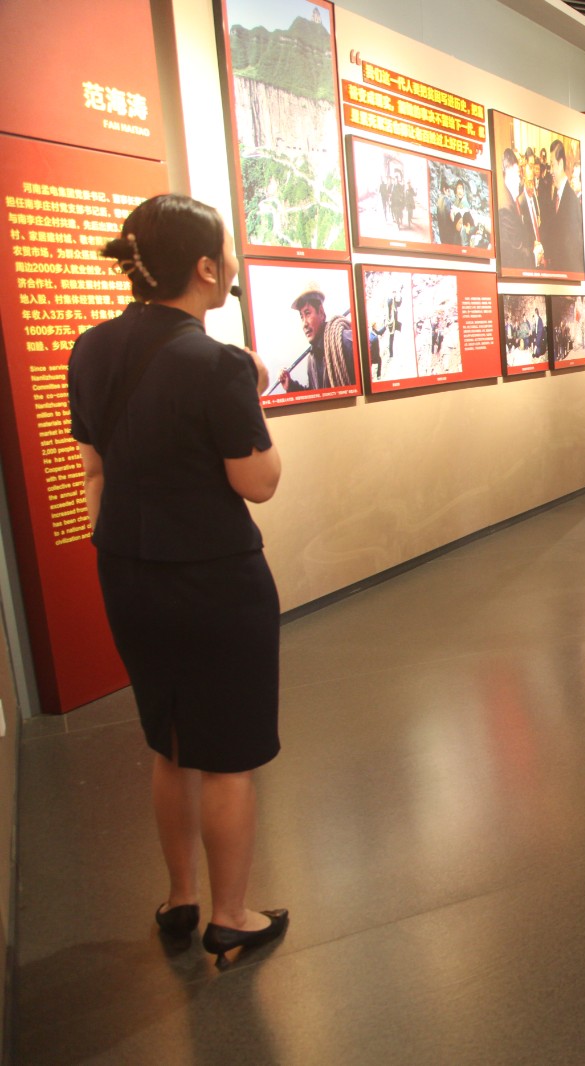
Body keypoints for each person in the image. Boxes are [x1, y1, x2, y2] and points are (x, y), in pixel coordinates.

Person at [65, 194, 288, 963]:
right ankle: (231, 916)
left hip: (126, 574)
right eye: (227, 251)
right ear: (204, 267)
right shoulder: (217, 363)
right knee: (226, 754)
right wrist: (250, 389)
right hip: (214, 582)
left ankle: (180, 898)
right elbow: (259, 481)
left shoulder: (90, 349)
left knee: (170, 743)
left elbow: (94, 471)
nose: (232, 262)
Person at [278, 282, 357, 394]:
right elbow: (315, 393)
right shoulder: (312, 360)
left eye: (307, 313)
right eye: (301, 317)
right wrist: (290, 386)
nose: (304, 324)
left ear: (321, 313)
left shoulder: (347, 342)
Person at [545, 139, 584, 272]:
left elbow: (573, 249)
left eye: (552, 165)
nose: (550, 171)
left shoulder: (571, 201)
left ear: (561, 163)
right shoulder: (554, 198)